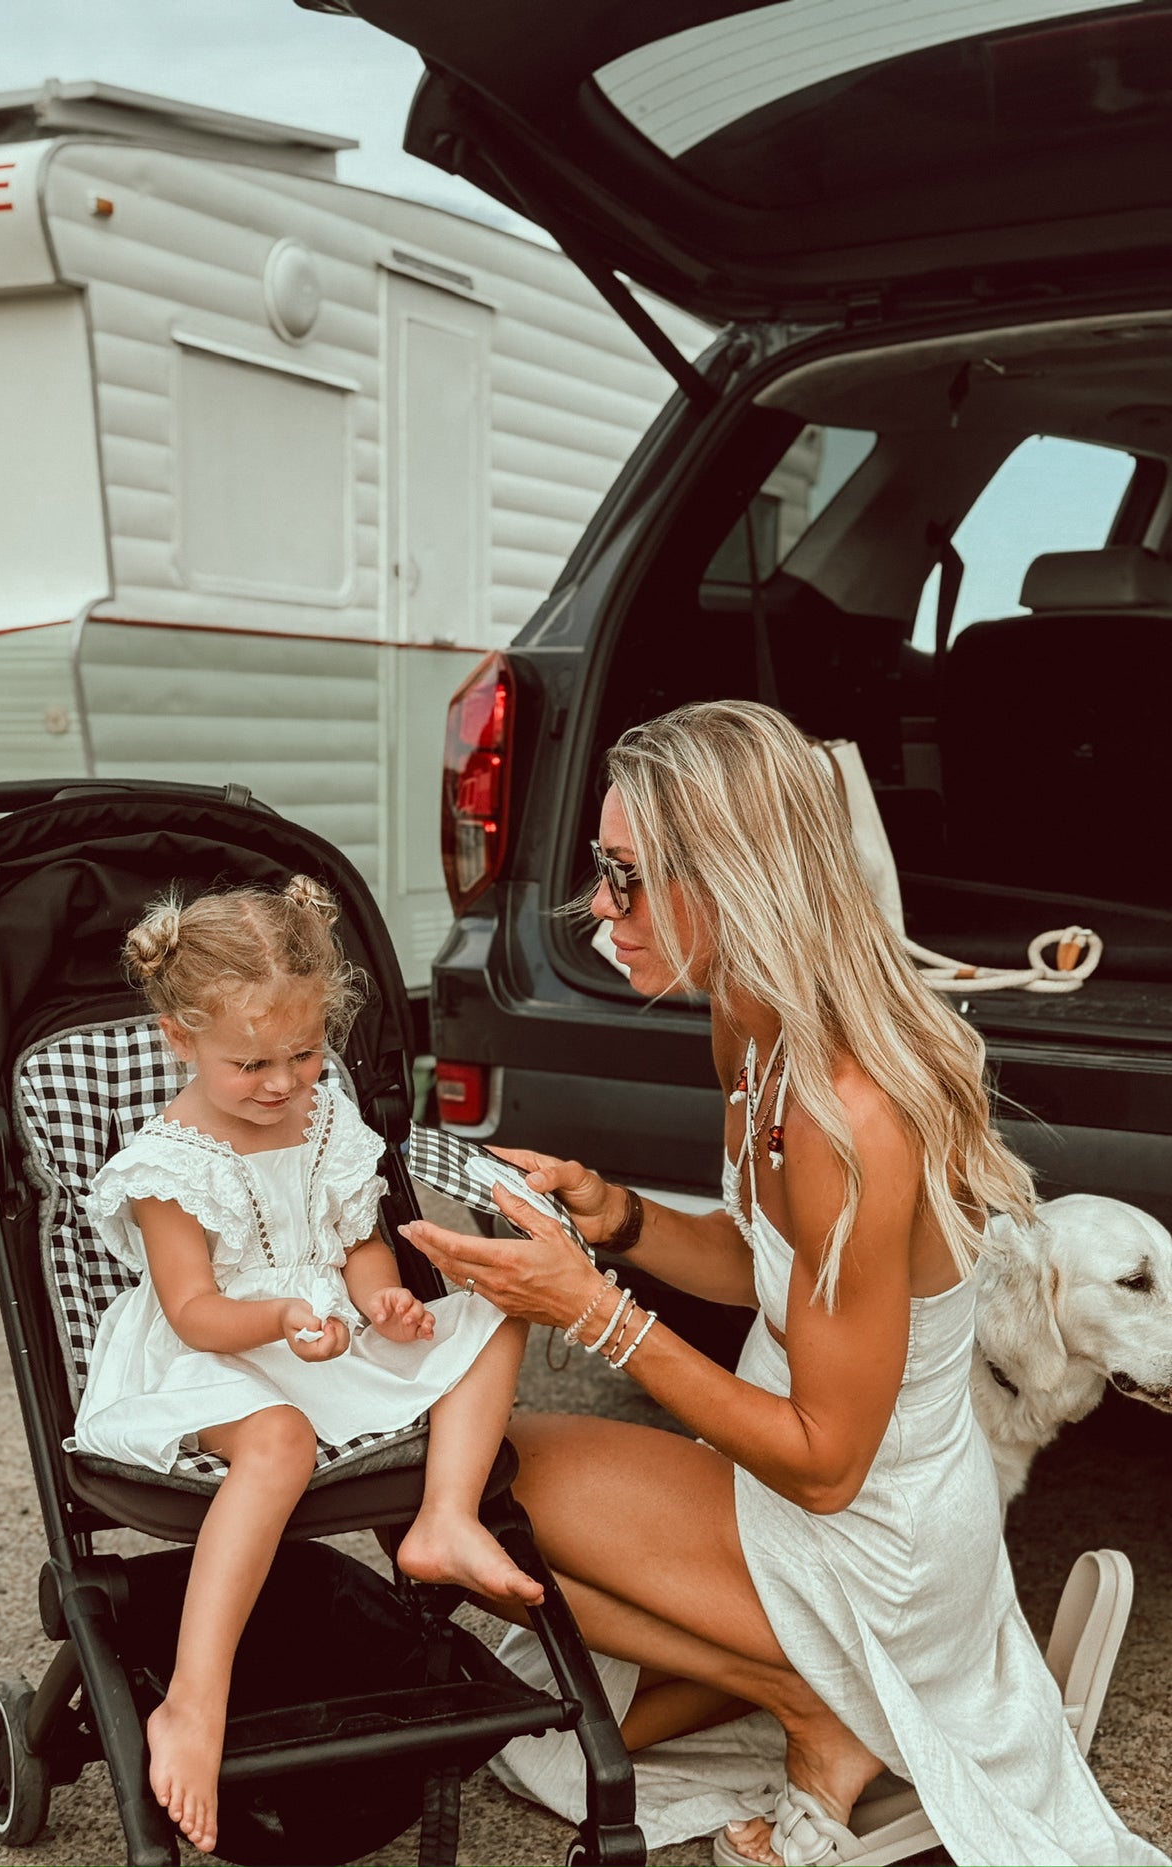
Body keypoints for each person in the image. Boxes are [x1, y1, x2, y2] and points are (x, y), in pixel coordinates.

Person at [401, 701, 1168, 1867]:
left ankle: (822, 1703)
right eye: (598, 871)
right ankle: (809, 1695)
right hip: (819, 1502)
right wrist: (620, 1216)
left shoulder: (845, 1111)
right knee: (501, 1560)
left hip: (873, 1536)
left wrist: (589, 1308)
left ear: (736, 878)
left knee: (490, 1476)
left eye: (625, 876)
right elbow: (771, 1261)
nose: (600, 911)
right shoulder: (750, 1025)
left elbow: (822, 1462)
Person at [69, 879, 541, 1855]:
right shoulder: (171, 1162)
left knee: (500, 1311)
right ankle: (192, 1703)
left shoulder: (325, 1121)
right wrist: (283, 1314)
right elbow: (194, 1310)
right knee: (278, 1443)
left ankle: (443, 1517)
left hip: (319, 1337)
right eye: (251, 1062)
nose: (282, 1080)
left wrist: (382, 1299)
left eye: (302, 1052)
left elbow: (356, 1244)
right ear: (179, 1039)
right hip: (214, 1360)